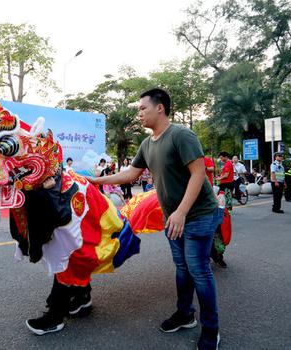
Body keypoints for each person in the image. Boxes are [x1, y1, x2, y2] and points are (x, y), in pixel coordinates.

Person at [86, 89, 221, 350]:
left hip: (199, 214)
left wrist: (181, 212)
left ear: (160, 108)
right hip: (174, 218)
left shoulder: (181, 135)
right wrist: (97, 181)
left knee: (199, 270)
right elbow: (129, 175)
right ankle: (185, 314)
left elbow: (198, 173)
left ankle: (211, 329)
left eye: (142, 108)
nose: (139, 114)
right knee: (182, 269)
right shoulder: (147, 145)